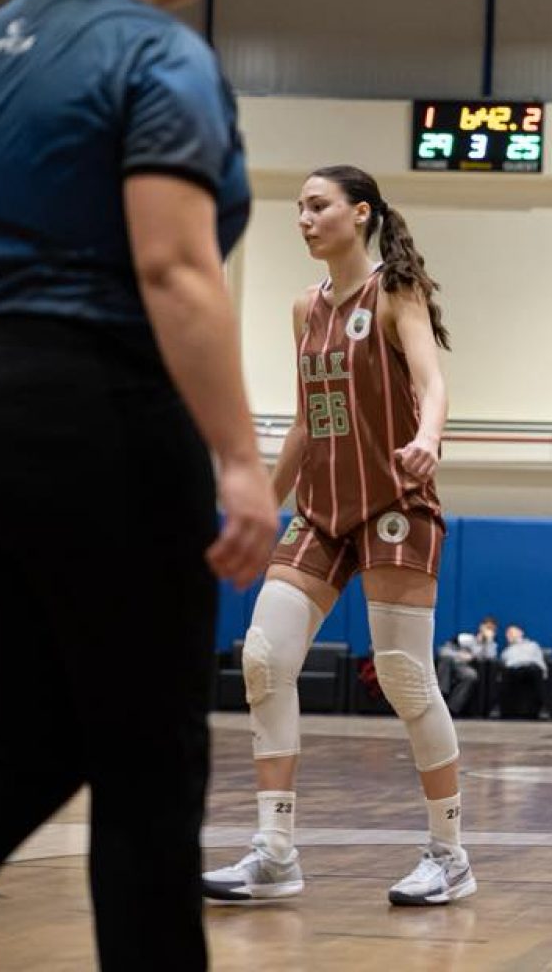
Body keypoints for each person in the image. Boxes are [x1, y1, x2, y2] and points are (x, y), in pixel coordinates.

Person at [0, 0, 279, 967]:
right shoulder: (155, 53)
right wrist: (239, 456)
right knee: (150, 765)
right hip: (101, 419)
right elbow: (173, 266)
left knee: (34, 738)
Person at [202, 165, 475, 907]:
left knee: (405, 677)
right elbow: (305, 420)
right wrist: (262, 506)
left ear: (360, 214)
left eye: (318, 205)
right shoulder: (305, 308)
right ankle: (274, 851)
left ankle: (449, 854)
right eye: (298, 207)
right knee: (264, 659)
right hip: (321, 510)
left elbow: (432, 382)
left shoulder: (395, 291)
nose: (304, 218)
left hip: (395, 502)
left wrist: (428, 437)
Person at [495, 623, 550, 719]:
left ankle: (544, 709)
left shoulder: (532, 645)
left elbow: (539, 660)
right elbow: (504, 664)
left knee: (536, 672)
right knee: (505, 675)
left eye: (512, 633)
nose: (509, 635)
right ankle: (498, 708)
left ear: (521, 633)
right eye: (508, 634)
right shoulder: (506, 651)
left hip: (531, 667)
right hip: (514, 670)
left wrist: (544, 671)